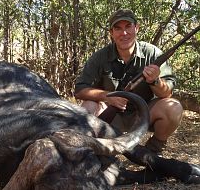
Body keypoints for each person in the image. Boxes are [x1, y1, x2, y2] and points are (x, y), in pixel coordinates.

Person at [74, 9, 183, 154]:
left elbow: (167, 93)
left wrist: (155, 81)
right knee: (87, 107)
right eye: (118, 28)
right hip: (110, 116)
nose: (124, 33)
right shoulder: (100, 57)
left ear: (136, 28)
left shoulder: (153, 53)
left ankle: (152, 151)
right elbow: (80, 90)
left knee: (173, 107)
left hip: (143, 115)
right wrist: (108, 97)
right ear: (111, 33)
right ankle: (92, 150)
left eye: (128, 27)